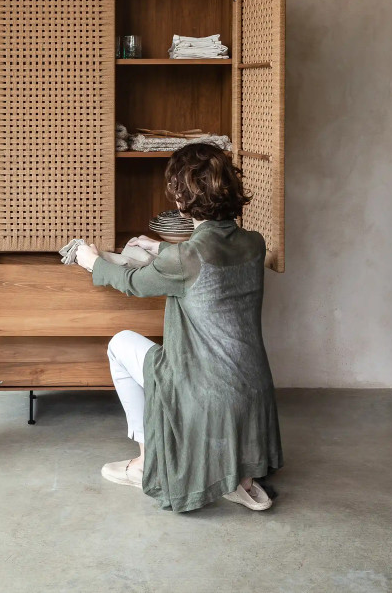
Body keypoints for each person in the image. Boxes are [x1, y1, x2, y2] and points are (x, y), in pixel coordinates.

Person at [75, 142, 283, 513]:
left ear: (182, 199)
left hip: (206, 389)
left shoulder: (186, 256)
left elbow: (133, 282)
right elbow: (209, 256)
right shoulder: (254, 243)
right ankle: (241, 478)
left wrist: (92, 261)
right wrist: (159, 248)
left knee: (119, 343)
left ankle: (143, 464)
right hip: (254, 388)